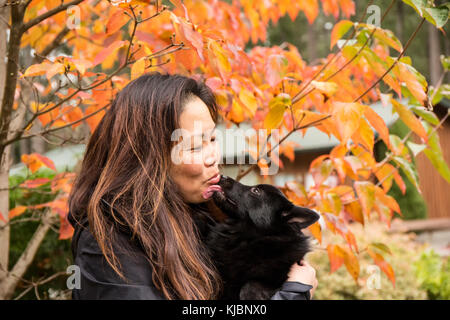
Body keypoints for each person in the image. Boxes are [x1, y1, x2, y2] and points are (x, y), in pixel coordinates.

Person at [67, 71, 318, 300]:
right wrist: (291, 296)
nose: (213, 157)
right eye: (195, 146)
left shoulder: (200, 219)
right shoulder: (109, 242)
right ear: (148, 158)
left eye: (211, 139)